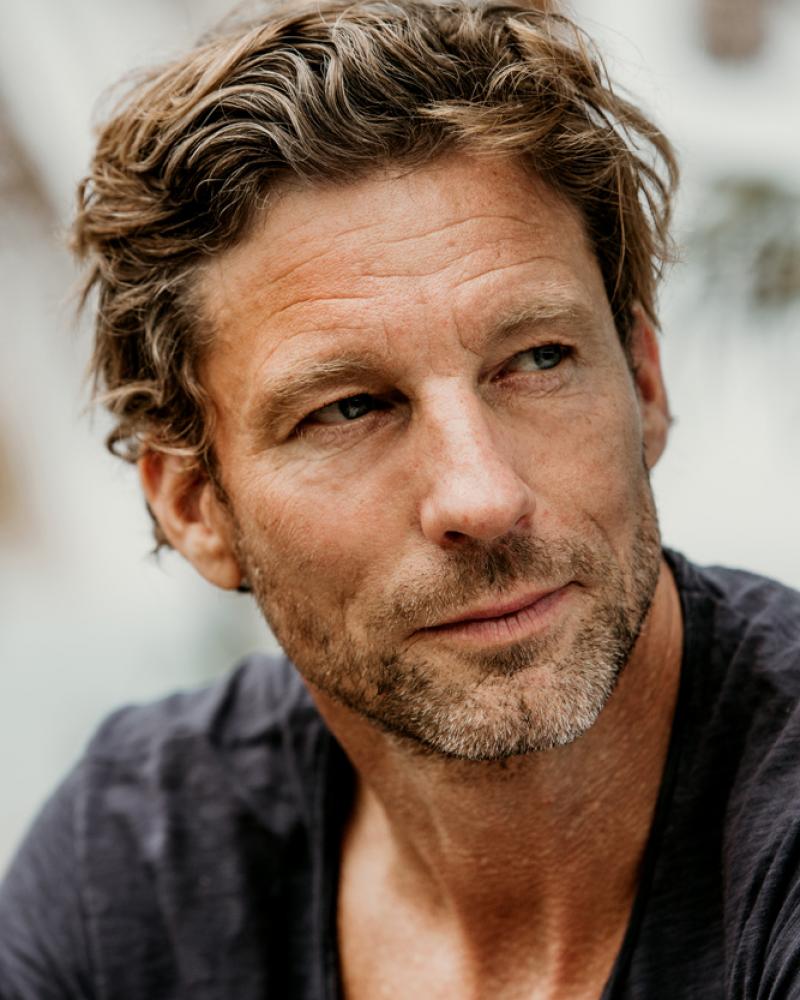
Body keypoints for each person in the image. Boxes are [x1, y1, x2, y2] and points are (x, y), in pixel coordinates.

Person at [1, 0, 798, 996]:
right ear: (194, 505)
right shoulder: (136, 868)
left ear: (643, 379)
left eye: (537, 359)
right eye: (348, 409)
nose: (483, 496)